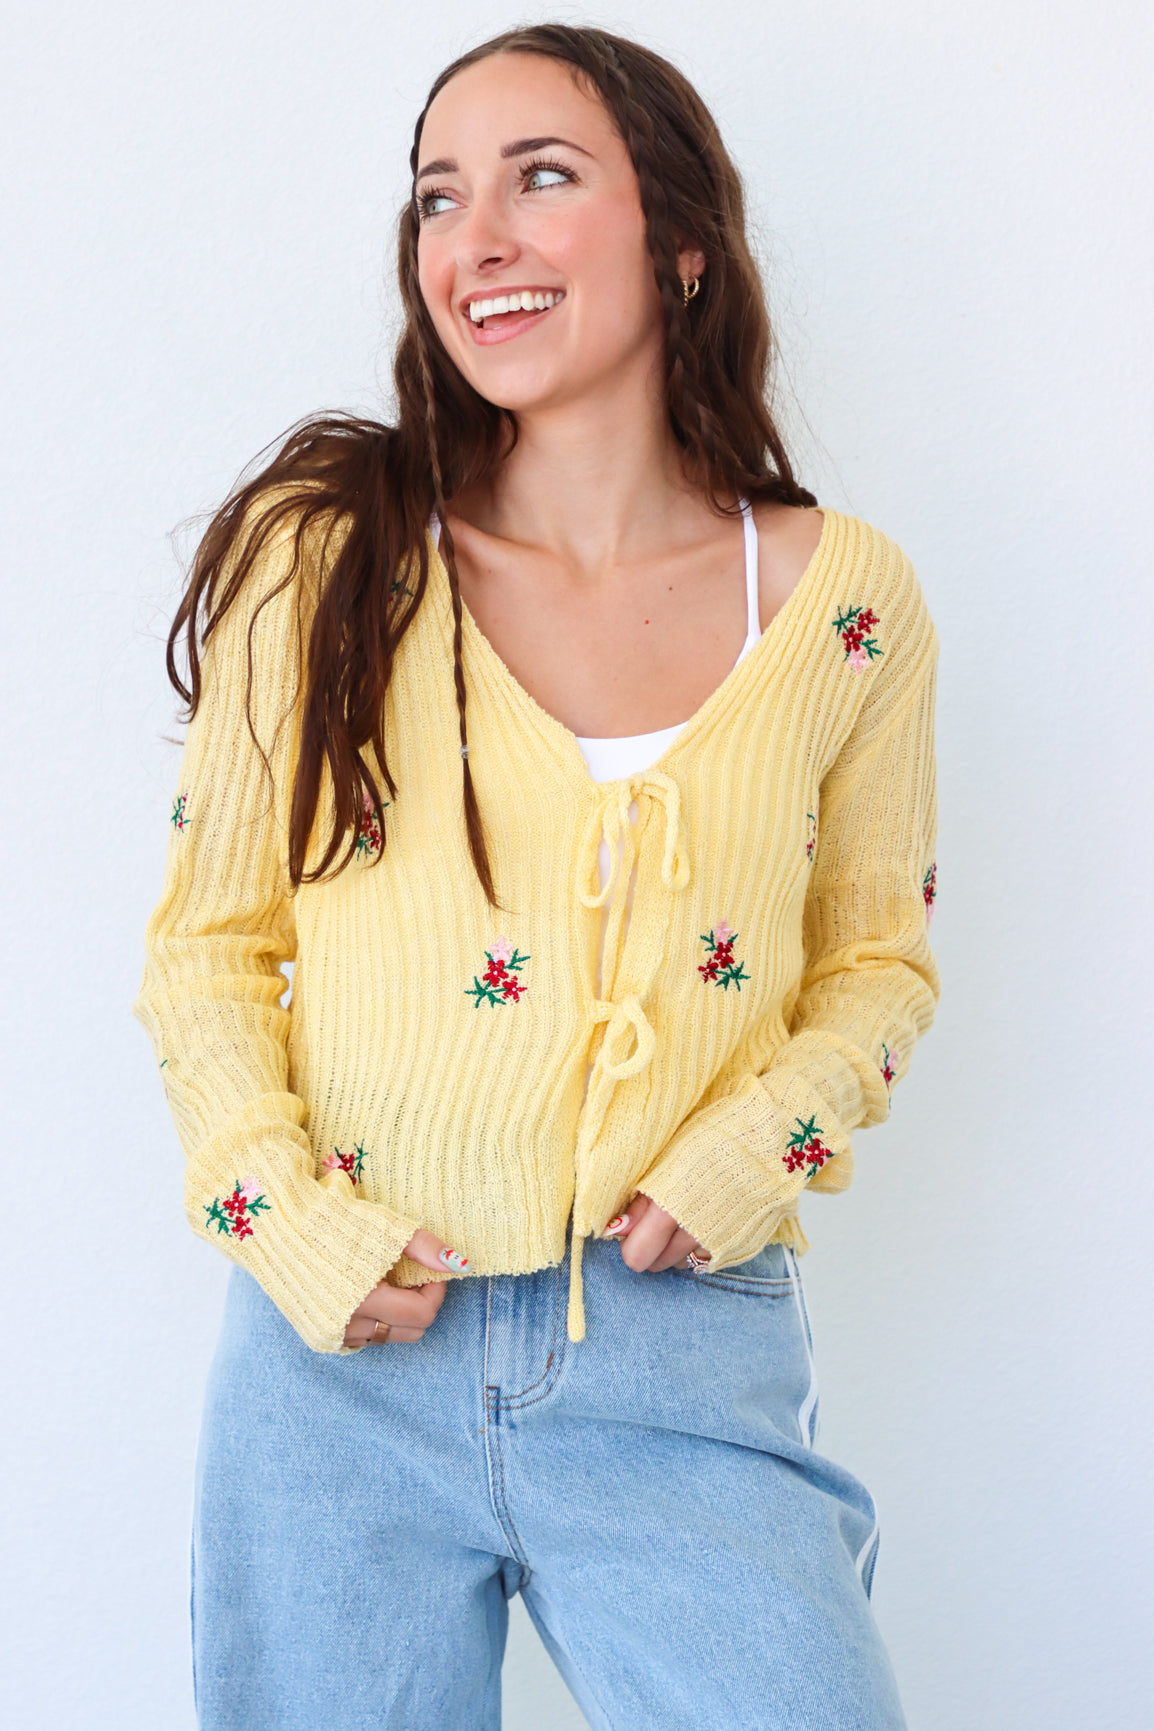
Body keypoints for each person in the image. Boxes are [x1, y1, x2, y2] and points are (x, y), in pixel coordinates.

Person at [134, 23, 940, 1730]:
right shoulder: (329, 557)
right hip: (338, 1363)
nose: (472, 239)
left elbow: (876, 968)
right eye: (438, 197)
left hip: (682, 1347)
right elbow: (205, 950)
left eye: (540, 179)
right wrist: (287, 1225)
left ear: (681, 246)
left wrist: (735, 1162)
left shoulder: (839, 602)